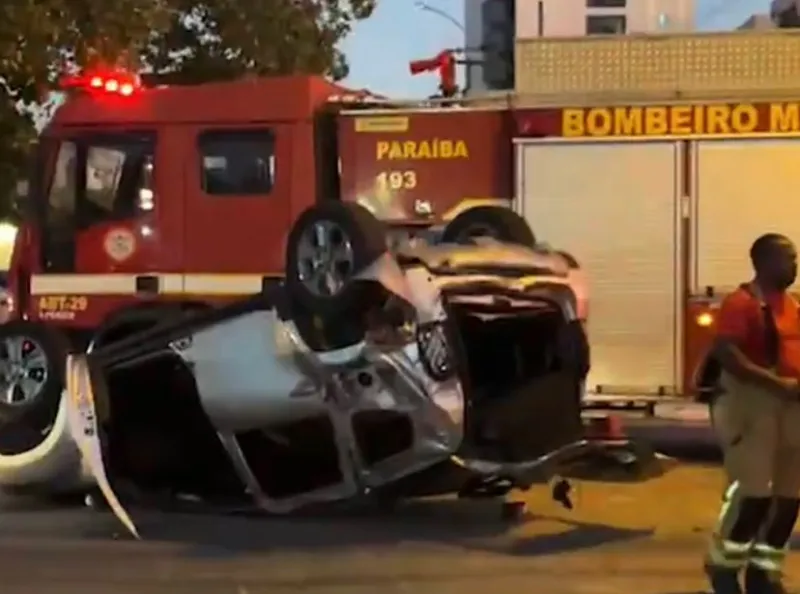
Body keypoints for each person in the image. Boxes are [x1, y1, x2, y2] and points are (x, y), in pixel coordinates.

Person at [705, 233, 800, 594]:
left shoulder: (791, 304)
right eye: (787, 259)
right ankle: (723, 569)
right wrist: (776, 384)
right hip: (752, 405)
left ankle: (764, 572)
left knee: (789, 498)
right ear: (762, 262)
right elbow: (728, 354)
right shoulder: (740, 304)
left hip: (790, 408)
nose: (794, 266)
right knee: (754, 494)